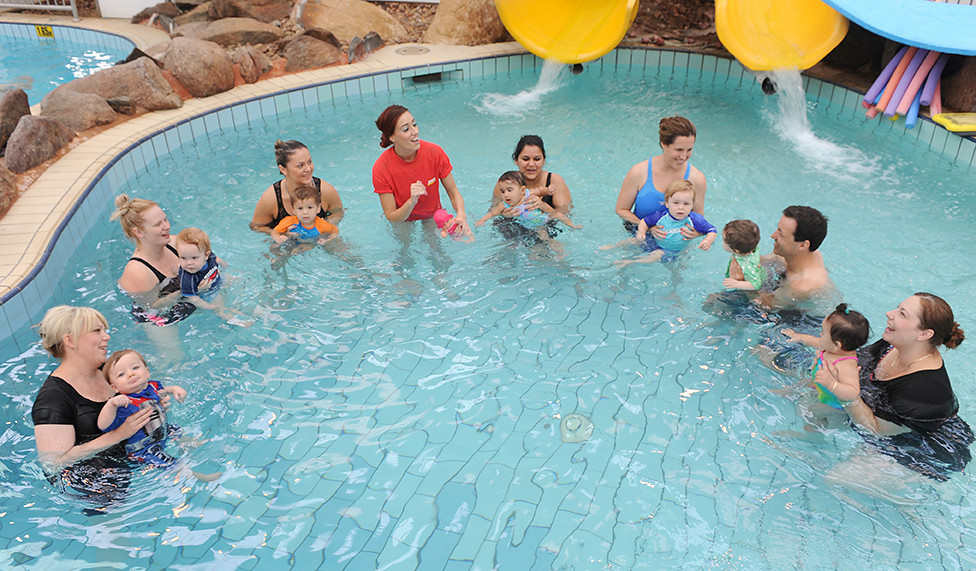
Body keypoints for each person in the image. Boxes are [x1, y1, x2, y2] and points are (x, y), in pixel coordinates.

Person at [817, 293, 973, 481]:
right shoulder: (892, 344)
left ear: (924, 334)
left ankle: (907, 504)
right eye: (897, 308)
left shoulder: (924, 388)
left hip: (920, 449)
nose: (889, 313)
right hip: (884, 418)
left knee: (835, 479)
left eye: (902, 314)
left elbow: (874, 430)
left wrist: (842, 391)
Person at [31, 306, 154, 500]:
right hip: (94, 484)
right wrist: (119, 434)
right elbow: (53, 464)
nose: (107, 337)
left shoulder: (109, 372)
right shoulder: (53, 400)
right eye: (97, 331)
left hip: (134, 458)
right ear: (70, 340)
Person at [372, 104, 469, 232]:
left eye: (414, 124)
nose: (415, 131)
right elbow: (391, 215)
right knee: (404, 248)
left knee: (435, 247)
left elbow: (453, 192)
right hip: (402, 218)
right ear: (392, 137)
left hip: (431, 214)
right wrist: (412, 201)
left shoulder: (435, 152)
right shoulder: (381, 168)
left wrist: (461, 215)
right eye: (406, 129)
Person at [112, 194, 195, 343]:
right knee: (175, 358)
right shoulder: (139, 272)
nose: (167, 226)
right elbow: (153, 307)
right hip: (155, 316)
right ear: (139, 232)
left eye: (165, 219)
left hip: (184, 297)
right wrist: (189, 287)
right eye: (158, 224)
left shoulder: (174, 243)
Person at [614, 116, 707, 238]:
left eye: (689, 149)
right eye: (679, 150)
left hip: (673, 244)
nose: (684, 156)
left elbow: (699, 221)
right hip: (637, 237)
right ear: (664, 144)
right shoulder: (639, 172)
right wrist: (647, 227)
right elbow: (621, 209)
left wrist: (696, 233)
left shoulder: (697, 179)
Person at [98, 350, 186, 467]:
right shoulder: (124, 404)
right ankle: (191, 474)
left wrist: (174, 389)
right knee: (168, 462)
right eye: (121, 374)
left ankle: (188, 442)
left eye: (135, 368)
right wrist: (111, 405)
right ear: (114, 387)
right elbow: (103, 426)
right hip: (144, 449)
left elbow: (162, 390)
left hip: (161, 432)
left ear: (147, 372)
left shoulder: (152, 386)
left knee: (175, 429)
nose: (130, 374)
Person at [601, 180, 716, 266]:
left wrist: (708, 240)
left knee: (655, 256)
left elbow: (712, 230)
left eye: (686, 204)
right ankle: (613, 246)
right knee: (633, 240)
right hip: (653, 241)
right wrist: (641, 232)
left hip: (670, 250)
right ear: (667, 203)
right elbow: (644, 222)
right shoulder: (661, 216)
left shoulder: (695, 219)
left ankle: (629, 262)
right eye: (676, 203)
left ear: (692, 205)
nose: (681, 208)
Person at [781, 303, 869, 409]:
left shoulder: (845, 364)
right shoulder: (833, 348)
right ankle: (788, 392)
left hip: (830, 403)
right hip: (819, 386)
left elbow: (853, 393)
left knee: (807, 411)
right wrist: (799, 337)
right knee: (803, 385)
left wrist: (831, 384)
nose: (820, 334)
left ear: (837, 345)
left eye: (823, 332)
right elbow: (815, 342)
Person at [250, 139, 343, 233]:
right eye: (300, 165)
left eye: (309, 162)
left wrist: (323, 226)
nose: (308, 169)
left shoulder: (325, 191)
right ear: (283, 170)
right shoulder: (271, 199)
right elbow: (256, 227)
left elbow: (338, 212)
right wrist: (281, 233)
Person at [760, 205, 833, 310]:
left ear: (802, 245)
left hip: (799, 317)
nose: (773, 236)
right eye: (778, 229)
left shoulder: (804, 285)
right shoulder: (800, 250)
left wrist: (741, 279)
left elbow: (768, 305)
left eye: (781, 234)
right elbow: (765, 260)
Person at [476, 171, 581, 234]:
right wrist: (481, 220)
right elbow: (492, 213)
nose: (506, 195)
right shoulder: (504, 205)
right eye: (502, 191)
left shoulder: (527, 194)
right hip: (529, 225)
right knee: (542, 235)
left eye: (509, 190)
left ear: (522, 190)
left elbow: (540, 190)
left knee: (559, 215)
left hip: (542, 218)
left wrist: (548, 190)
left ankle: (572, 225)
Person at [492, 135, 572, 215]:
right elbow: (492, 212)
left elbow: (566, 215)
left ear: (544, 160)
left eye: (537, 159)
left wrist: (544, 206)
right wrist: (504, 216)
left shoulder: (554, 181)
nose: (531, 164)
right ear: (516, 160)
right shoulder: (506, 182)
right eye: (525, 159)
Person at [270, 183, 339, 244]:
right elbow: (275, 231)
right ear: (293, 210)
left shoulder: (321, 224)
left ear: (318, 208)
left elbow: (335, 231)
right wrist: (278, 237)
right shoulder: (289, 221)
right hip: (292, 242)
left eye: (310, 207)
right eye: (300, 208)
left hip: (311, 244)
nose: (305, 212)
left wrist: (327, 240)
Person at [722, 219, 766, 291]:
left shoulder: (746, 265)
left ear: (736, 250)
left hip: (755, 287)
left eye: (724, 241)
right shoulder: (751, 246)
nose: (723, 243)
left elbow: (756, 284)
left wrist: (737, 284)